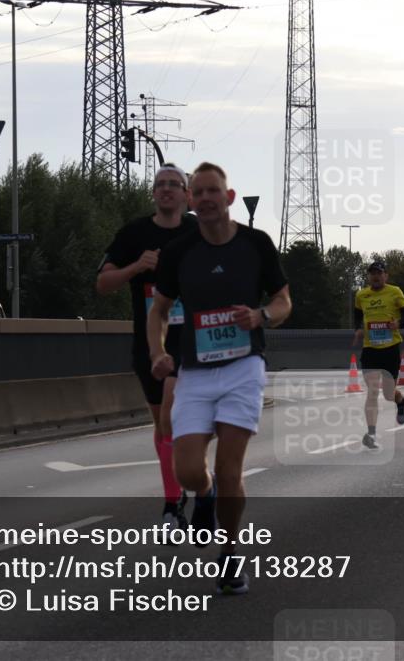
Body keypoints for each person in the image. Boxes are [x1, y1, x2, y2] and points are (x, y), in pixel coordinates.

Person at [148, 162, 291, 596]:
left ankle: (230, 554)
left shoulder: (256, 244)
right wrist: (158, 352)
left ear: (229, 198)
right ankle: (203, 496)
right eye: (199, 192)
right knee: (189, 470)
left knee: (231, 470)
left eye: (215, 191)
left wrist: (261, 315)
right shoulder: (180, 253)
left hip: (244, 367)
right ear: (191, 201)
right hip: (194, 370)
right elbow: (158, 310)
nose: (207, 198)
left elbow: (284, 301)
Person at [96, 163, 196, 535]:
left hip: (195, 341)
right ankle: (181, 492)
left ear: (187, 194)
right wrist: (137, 266)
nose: (166, 189)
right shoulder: (134, 234)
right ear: (153, 193)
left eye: (174, 184)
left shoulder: (199, 231)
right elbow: (103, 283)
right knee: (162, 423)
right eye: (160, 184)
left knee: (172, 412)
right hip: (150, 342)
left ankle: (173, 504)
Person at [352, 260, 404, 449]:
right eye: (372, 273)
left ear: (385, 275)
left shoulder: (395, 292)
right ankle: (371, 434)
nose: (375, 276)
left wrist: (398, 324)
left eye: (379, 273)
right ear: (369, 276)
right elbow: (357, 317)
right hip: (370, 349)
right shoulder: (361, 295)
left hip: (390, 348)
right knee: (372, 392)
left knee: (387, 394)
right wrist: (359, 330)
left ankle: (400, 401)